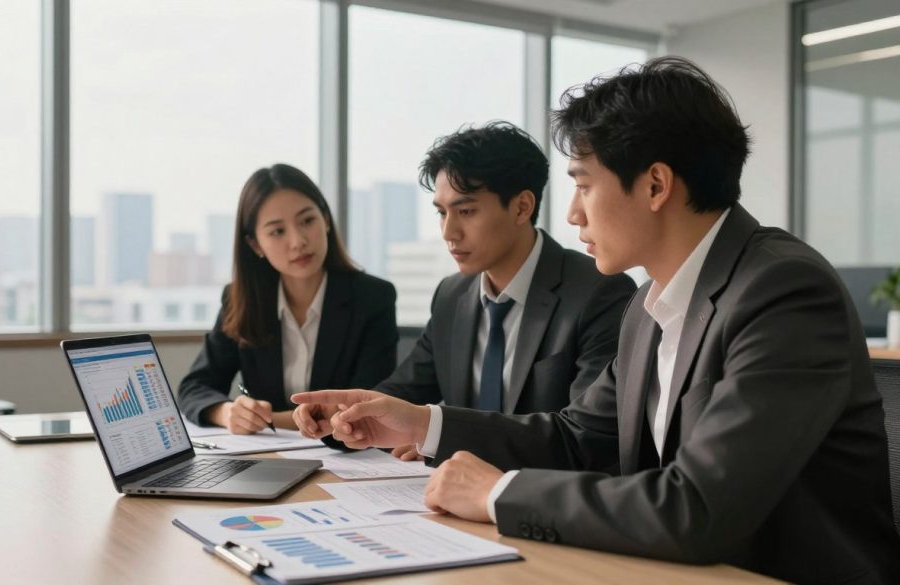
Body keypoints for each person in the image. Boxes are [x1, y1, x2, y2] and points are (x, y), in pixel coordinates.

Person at [292, 58, 900, 583]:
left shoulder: (782, 289)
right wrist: (419, 424)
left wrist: (497, 493)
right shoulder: (649, 303)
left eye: (583, 184)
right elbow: (576, 437)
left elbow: (699, 509)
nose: (575, 214)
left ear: (656, 184)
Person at [296, 122, 635, 460]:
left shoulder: (599, 293)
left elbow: (585, 440)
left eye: (466, 211)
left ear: (521, 207)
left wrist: (439, 438)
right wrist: (341, 414)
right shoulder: (452, 295)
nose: (448, 232)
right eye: (442, 213)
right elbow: (405, 390)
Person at [178, 163, 398, 435]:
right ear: (255, 244)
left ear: (326, 220)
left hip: (349, 457)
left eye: (307, 221)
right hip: (267, 461)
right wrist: (226, 412)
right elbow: (194, 388)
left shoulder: (373, 298)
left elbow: (370, 403)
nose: (298, 241)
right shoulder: (241, 300)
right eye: (277, 231)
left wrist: (271, 420)